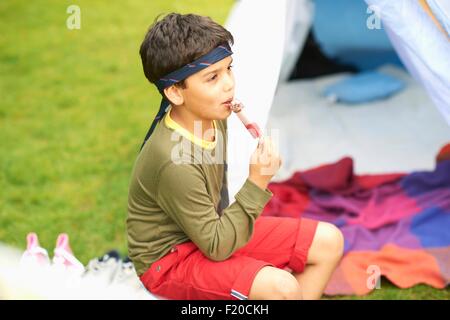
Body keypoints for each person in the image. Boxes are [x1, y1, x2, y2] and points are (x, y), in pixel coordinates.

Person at [126, 12, 344, 300]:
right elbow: (217, 247)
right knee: (283, 288)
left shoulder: (213, 116)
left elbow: (220, 202)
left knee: (329, 241)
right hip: (169, 262)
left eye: (229, 68)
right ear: (176, 93)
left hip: (209, 233)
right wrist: (256, 182)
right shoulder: (174, 161)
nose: (228, 83)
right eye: (212, 77)